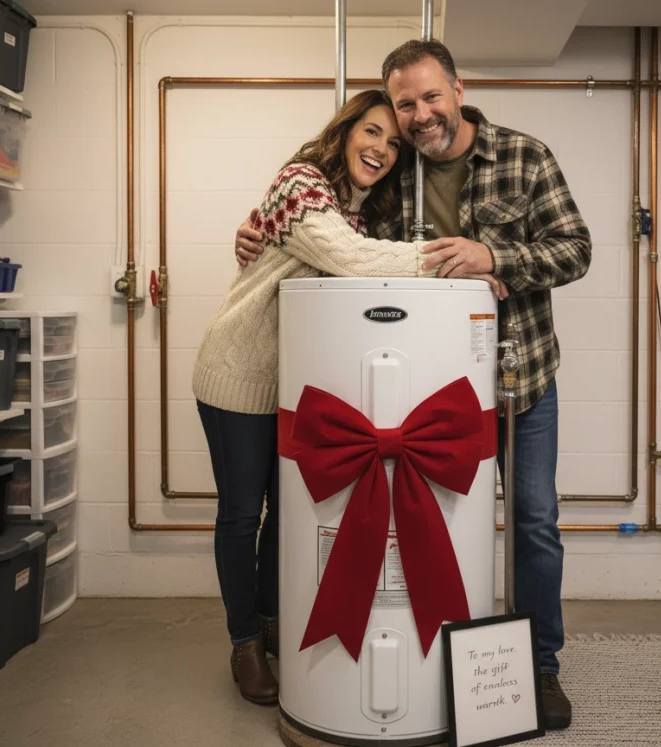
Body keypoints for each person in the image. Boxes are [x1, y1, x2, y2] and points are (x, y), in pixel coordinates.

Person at [236, 40, 592, 730]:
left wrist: (496, 255)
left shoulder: (525, 155)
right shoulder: (396, 173)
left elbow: (575, 249)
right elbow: (332, 229)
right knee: (424, 532)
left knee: (533, 524)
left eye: (430, 97)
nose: (420, 115)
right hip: (422, 395)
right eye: (405, 105)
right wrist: (259, 229)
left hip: (518, 382)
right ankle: (419, 675)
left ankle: (539, 670)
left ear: (457, 89)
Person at [193, 88, 507, 708]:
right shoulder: (302, 184)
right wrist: (455, 262)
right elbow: (351, 258)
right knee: (239, 515)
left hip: (293, 388)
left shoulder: (361, 205)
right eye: (371, 133)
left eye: (393, 144)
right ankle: (244, 642)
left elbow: (358, 252)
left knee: (286, 511)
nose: (381, 150)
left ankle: (275, 619)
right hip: (236, 373)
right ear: (344, 132)